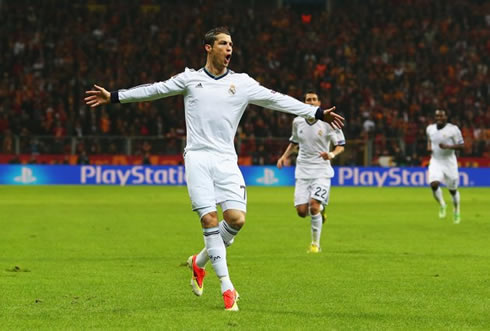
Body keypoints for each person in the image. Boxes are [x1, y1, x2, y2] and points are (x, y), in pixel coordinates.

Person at [84, 27, 344, 311]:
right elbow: (154, 89)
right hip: (197, 158)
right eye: (223, 44)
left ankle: (199, 261)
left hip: (225, 160)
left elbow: (278, 99)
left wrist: (317, 113)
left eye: (231, 44)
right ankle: (227, 287)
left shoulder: (242, 83)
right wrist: (114, 96)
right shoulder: (190, 79)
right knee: (209, 220)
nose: (229, 49)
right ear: (208, 48)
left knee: (236, 219)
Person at [277, 91, 345, 253]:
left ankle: (315, 244)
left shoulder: (328, 121)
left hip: (321, 170)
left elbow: (341, 145)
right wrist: (284, 157)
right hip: (302, 171)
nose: (311, 102)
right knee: (302, 211)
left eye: (314, 99)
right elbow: (294, 142)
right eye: (308, 100)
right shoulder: (297, 122)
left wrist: (331, 154)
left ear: (319, 103)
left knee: (313, 206)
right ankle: (321, 211)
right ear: (304, 103)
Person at [426, 109, 464, 223]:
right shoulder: (430, 128)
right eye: (437, 116)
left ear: (446, 117)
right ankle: (442, 205)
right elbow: (429, 139)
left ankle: (456, 211)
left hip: (449, 162)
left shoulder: (453, 129)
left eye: (441, 116)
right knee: (433, 184)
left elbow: (462, 145)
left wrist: (448, 147)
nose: (439, 118)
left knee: (452, 191)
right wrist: (429, 147)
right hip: (436, 161)